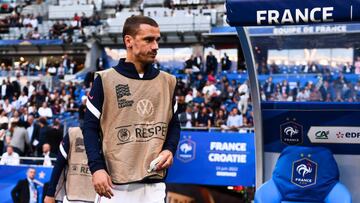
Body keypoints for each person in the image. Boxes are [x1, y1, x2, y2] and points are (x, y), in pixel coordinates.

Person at [83, 15, 180, 203]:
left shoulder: (168, 81)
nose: (155, 46)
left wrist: (169, 149)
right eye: (148, 39)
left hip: (154, 183)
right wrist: (97, 168)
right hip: (116, 185)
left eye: (157, 40)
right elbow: (89, 128)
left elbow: (174, 124)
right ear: (129, 41)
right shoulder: (105, 79)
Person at [44, 127, 96, 203]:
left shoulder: (105, 132)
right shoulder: (73, 133)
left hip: (97, 195)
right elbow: (59, 164)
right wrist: (50, 193)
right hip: (73, 195)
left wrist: (50, 194)